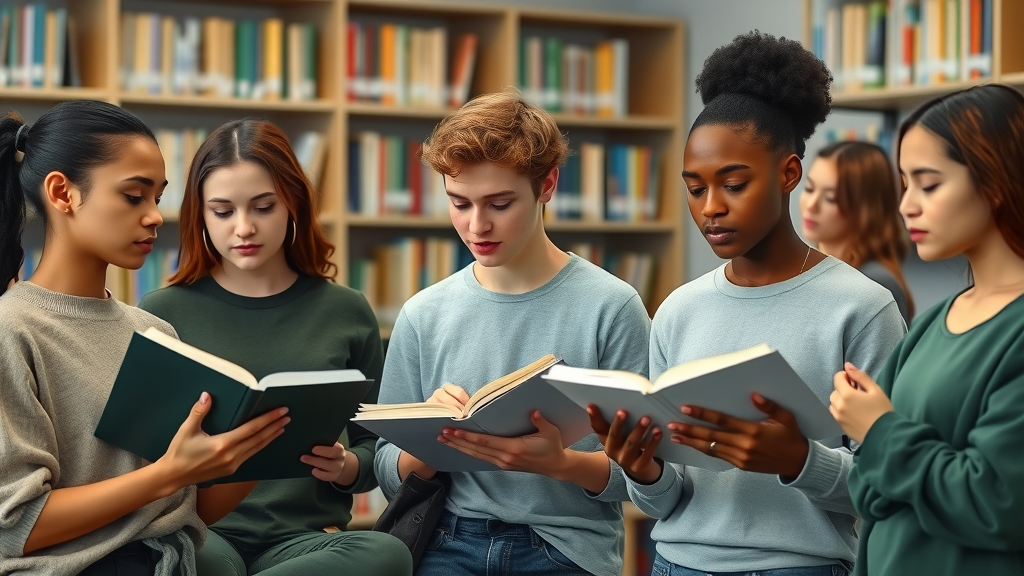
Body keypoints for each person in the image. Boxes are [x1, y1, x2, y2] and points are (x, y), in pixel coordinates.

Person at [590, 32, 907, 576]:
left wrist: (800, 461)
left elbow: (892, 488)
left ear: (788, 174)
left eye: (734, 184)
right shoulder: (678, 310)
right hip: (675, 565)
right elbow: (666, 500)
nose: (711, 207)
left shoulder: (862, 308)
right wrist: (643, 472)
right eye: (695, 189)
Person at [0, 101, 288, 576]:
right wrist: (167, 474)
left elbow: (177, 512)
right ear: (62, 192)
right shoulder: (14, 330)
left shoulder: (152, 332)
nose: (155, 217)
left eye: (158, 198)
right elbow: (15, 526)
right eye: (135, 196)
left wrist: (254, 450)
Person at [372, 90, 651, 576]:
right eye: (459, 203)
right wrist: (425, 444)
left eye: (500, 203)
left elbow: (646, 476)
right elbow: (385, 469)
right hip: (446, 540)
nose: (477, 225)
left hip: (565, 547)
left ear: (548, 185)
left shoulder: (612, 307)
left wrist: (560, 463)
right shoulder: (423, 313)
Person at [138, 119, 412, 576]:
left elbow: (374, 449)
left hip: (304, 540)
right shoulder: (162, 311)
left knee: (390, 555)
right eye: (222, 212)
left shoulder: (346, 310)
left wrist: (345, 466)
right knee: (194, 560)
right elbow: (141, 448)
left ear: (293, 204)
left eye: (263, 207)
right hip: (204, 530)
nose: (243, 228)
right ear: (200, 216)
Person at [830, 84, 1024, 576]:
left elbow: (997, 502)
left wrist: (878, 430)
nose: (906, 206)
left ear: (995, 182)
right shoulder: (931, 325)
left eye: (929, 184)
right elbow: (869, 494)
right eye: (904, 184)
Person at [801, 141, 915, 323]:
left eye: (831, 198)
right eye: (809, 188)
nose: (811, 204)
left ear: (865, 209)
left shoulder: (875, 283)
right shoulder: (806, 272)